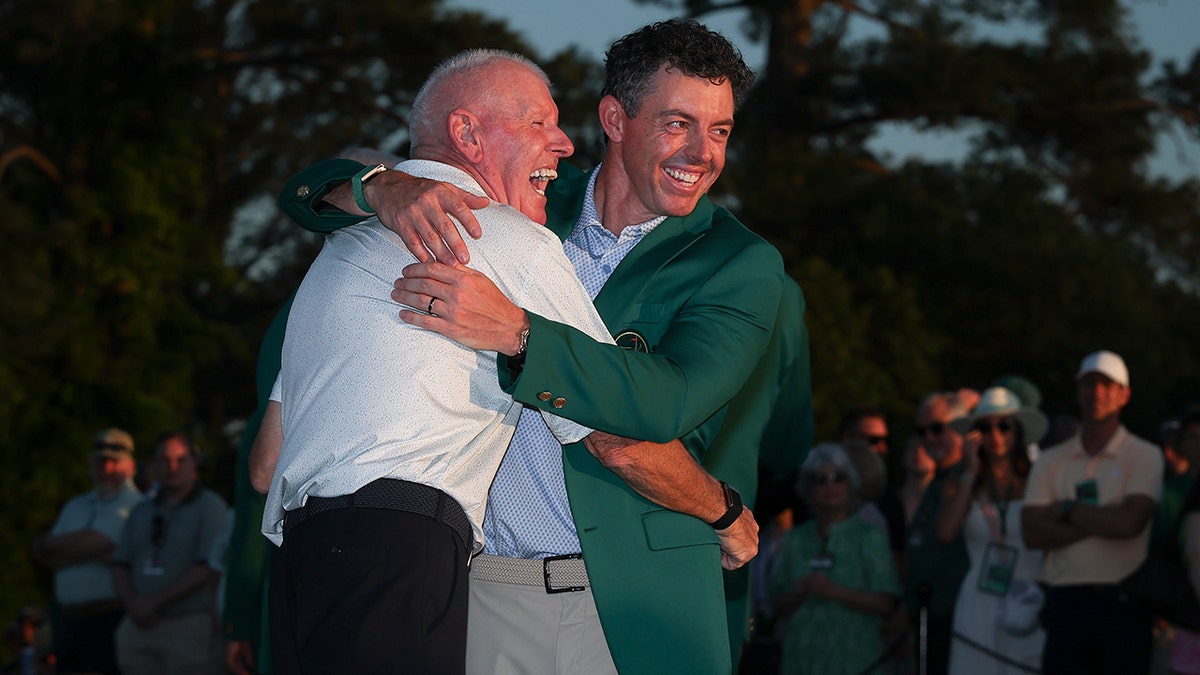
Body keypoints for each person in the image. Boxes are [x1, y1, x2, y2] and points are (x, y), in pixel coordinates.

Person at [277, 20, 787, 675]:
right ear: (615, 118)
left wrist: (520, 334)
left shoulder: (738, 264)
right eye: (678, 123)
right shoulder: (511, 205)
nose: (701, 152)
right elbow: (308, 208)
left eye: (719, 131)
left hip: (630, 603)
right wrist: (379, 184)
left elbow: (655, 411)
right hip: (480, 588)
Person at [1022, 350, 1163, 674]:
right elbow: (1032, 533)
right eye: (1088, 384)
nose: (1096, 393)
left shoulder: (1145, 454)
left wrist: (1068, 509)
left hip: (1124, 604)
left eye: (1107, 385)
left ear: (1124, 395)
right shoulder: (1050, 459)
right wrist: (1105, 518)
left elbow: (1130, 523)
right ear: (1078, 392)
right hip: (1065, 605)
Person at [939, 387, 1048, 673]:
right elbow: (946, 532)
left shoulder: (1038, 479)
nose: (995, 435)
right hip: (979, 597)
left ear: (1018, 431)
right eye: (985, 428)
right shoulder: (961, 482)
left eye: (1004, 425)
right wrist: (970, 470)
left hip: (1028, 595)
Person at [770, 442, 902, 675]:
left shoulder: (870, 536)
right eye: (819, 479)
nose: (829, 485)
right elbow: (778, 603)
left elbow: (886, 602)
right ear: (807, 487)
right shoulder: (795, 539)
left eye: (837, 477)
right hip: (803, 660)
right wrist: (800, 592)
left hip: (858, 660)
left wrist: (833, 591)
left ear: (851, 482)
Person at [111, 432, 229, 674]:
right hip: (139, 626)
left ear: (194, 462)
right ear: (154, 465)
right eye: (164, 460)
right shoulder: (140, 511)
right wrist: (134, 604)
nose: (172, 467)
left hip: (189, 624)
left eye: (180, 459)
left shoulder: (211, 507)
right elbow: (120, 564)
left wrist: (153, 602)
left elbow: (207, 568)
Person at [32, 428, 143, 675]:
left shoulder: (136, 505)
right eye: (100, 462)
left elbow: (93, 542)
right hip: (70, 620)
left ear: (131, 465)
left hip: (111, 617)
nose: (107, 469)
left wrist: (51, 543)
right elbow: (44, 555)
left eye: (114, 462)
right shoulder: (76, 505)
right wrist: (87, 550)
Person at [903, 391, 972, 675]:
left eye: (937, 429)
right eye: (922, 432)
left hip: (958, 621)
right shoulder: (938, 480)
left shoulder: (969, 477)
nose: (929, 439)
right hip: (926, 618)